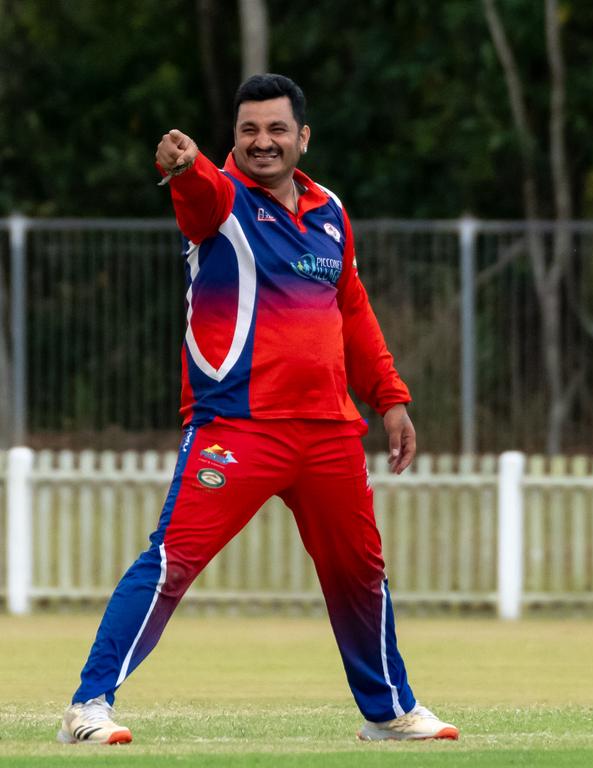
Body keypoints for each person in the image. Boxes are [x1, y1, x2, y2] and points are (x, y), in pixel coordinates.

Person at [57, 73, 459, 745]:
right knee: (171, 562)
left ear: (303, 137)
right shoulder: (217, 197)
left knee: (359, 573)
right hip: (238, 428)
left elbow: (353, 310)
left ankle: (387, 711)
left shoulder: (330, 209)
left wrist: (390, 399)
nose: (262, 142)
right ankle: (87, 709)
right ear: (232, 140)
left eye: (276, 130)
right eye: (248, 131)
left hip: (330, 431)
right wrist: (182, 168)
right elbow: (197, 197)